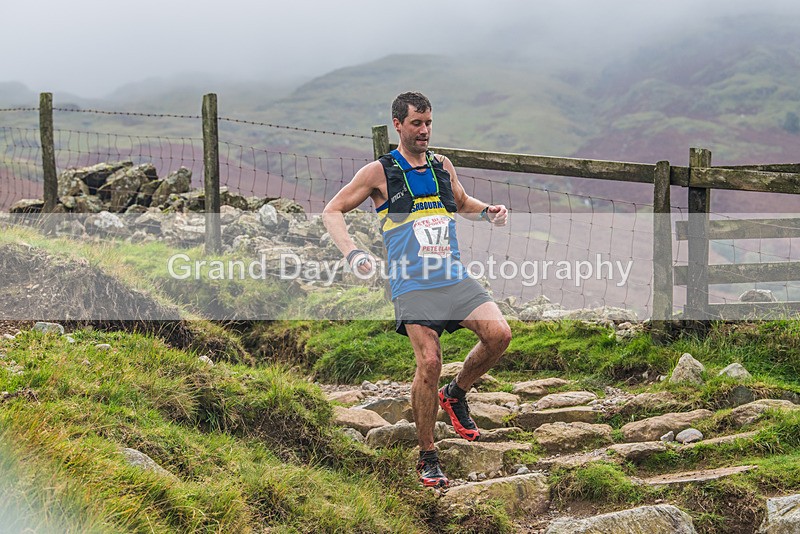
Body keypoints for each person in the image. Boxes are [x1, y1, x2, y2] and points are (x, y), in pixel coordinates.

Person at [322, 91, 511, 489]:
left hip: (453, 276)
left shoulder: (443, 166)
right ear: (398, 126)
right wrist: (353, 252)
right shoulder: (380, 171)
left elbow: (459, 202)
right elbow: (332, 210)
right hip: (411, 283)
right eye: (416, 124)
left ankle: (455, 394)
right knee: (429, 361)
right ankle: (428, 456)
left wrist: (487, 212)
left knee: (499, 335)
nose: (424, 131)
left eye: (428, 123)